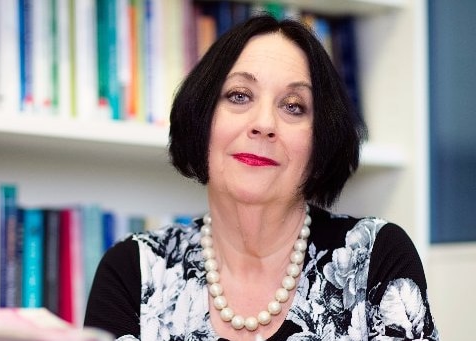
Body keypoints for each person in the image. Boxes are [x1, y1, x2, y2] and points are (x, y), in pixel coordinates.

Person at [84, 14, 439, 341]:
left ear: (320, 142)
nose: (264, 124)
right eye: (239, 96)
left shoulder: (375, 256)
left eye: (293, 106)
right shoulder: (134, 269)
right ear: (202, 119)